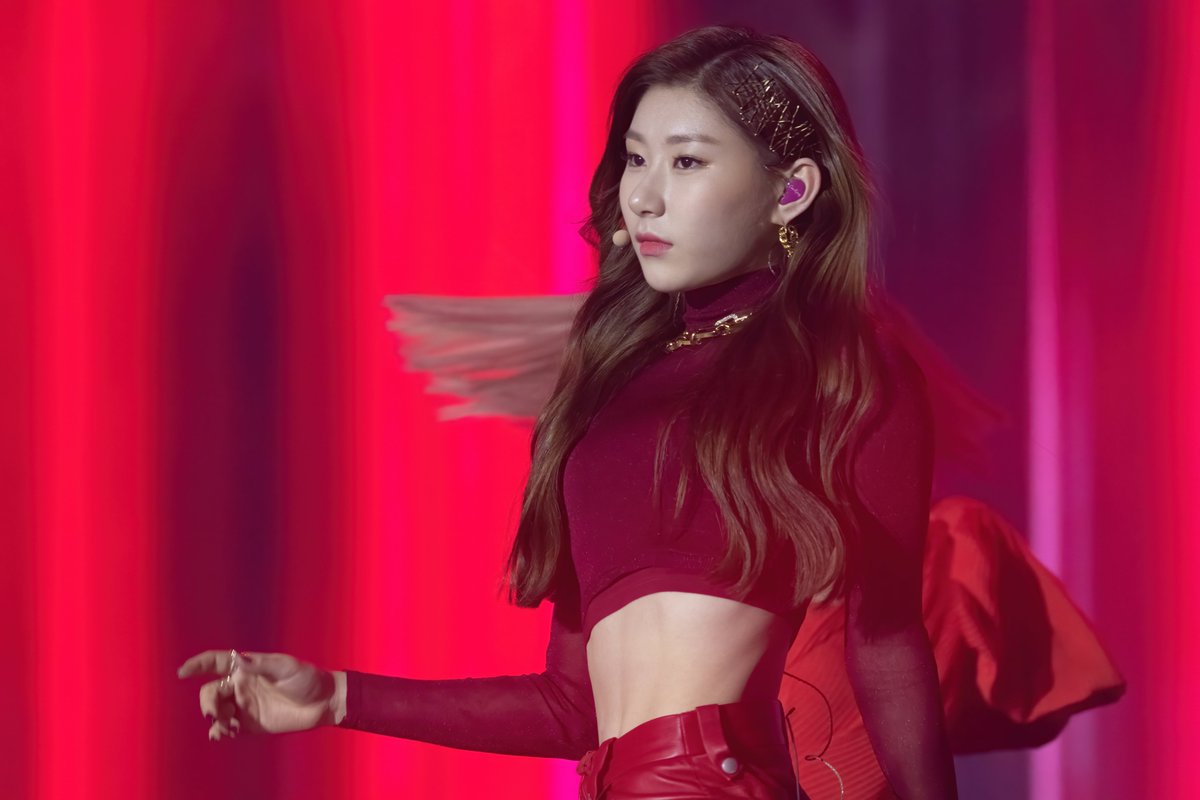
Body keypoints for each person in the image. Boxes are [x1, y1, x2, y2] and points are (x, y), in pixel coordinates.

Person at [179, 24, 1071, 799]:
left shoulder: (841, 375)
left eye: (687, 161)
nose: (643, 195)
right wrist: (337, 697)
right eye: (637, 158)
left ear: (791, 190)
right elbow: (573, 706)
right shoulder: (605, 387)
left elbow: (885, 645)